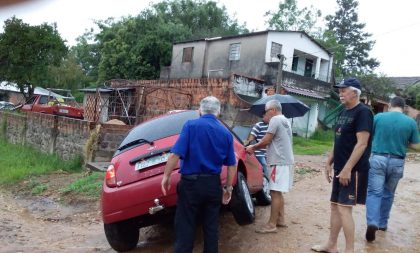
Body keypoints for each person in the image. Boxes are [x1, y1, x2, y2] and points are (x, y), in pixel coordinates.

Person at [161, 96, 236, 253]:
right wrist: (228, 188)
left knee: (185, 225)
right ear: (219, 112)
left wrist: (166, 176)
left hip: (190, 185)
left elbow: (175, 154)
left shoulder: (190, 125)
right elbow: (231, 165)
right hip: (212, 186)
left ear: (200, 110)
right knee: (211, 227)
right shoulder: (226, 133)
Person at [311, 78, 373, 253]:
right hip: (340, 167)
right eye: (340, 90)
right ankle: (331, 245)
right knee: (334, 206)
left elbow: (362, 143)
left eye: (344, 90)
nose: (340, 93)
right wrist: (329, 160)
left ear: (355, 92)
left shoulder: (363, 112)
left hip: (352, 169)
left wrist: (347, 169)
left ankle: (349, 250)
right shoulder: (344, 111)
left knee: (345, 209)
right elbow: (338, 139)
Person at [365, 96, 420, 242]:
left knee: (374, 193)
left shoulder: (379, 117)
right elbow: (417, 146)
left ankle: (372, 222)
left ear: (390, 105)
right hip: (397, 161)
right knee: (388, 193)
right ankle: (382, 224)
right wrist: (404, 142)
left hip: (378, 158)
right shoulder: (410, 122)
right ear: (404, 108)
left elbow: (368, 136)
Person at [245, 99, 294, 233]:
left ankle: (271, 224)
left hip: (278, 161)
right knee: (278, 191)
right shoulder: (285, 120)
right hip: (285, 160)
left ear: (272, 110)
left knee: (274, 192)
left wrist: (252, 147)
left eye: (266, 111)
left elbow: (266, 140)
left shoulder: (275, 120)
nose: (265, 114)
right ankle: (281, 220)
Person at [245, 113, 270, 179]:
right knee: (264, 165)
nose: (269, 118)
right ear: (263, 115)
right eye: (267, 116)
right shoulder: (258, 125)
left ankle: (263, 180)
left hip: (266, 151)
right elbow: (251, 138)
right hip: (258, 151)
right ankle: (268, 181)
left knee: (266, 167)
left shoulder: (271, 126)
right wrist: (253, 147)